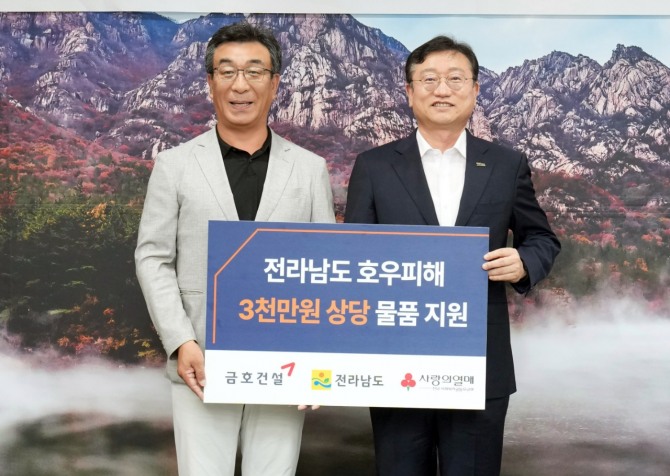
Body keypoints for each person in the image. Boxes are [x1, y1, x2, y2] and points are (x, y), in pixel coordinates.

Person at [345, 35, 560, 476]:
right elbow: (352, 258)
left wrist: (524, 262)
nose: (442, 89)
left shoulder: (506, 165)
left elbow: (542, 238)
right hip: (395, 361)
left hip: (480, 361)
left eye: (455, 79)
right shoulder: (374, 166)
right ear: (409, 92)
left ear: (475, 90)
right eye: (429, 79)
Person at [135, 22, 335, 476]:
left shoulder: (310, 169)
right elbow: (152, 258)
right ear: (210, 82)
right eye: (226, 71)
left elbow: (325, 267)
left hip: (285, 360)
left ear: (275, 82)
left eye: (254, 71)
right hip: (200, 361)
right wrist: (181, 341)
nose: (240, 85)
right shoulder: (174, 165)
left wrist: (319, 360)